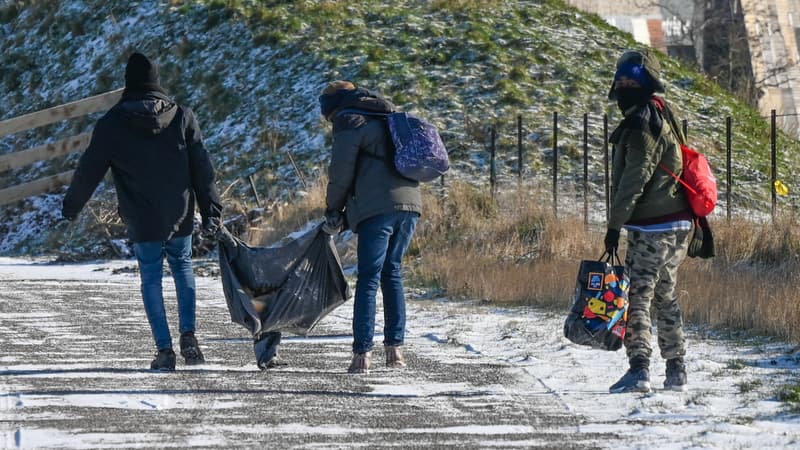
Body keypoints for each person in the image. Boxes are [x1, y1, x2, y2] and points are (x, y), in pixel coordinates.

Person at [61, 52, 223, 371]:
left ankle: (164, 351)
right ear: (157, 82)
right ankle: (189, 337)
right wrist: (212, 210)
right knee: (183, 266)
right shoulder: (182, 117)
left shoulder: (112, 123)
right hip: (180, 212)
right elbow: (202, 168)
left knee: (151, 277)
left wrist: (71, 207)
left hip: (141, 215)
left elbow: (88, 170)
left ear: (128, 82)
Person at [604, 49, 693, 393]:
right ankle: (676, 369)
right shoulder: (664, 113)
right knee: (664, 295)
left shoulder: (642, 121)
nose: (625, 85)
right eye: (622, 79)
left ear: (647, 81)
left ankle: (639, 369)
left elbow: (634, 177)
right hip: (676, 223)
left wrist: (614, 225)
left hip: (652, 224)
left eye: (632, 80)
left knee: (638, 296)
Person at [319, 80, 422, 374]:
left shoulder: (349, 120)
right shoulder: (386, 114)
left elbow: (340, 172)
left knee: (368, 278)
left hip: (378, 209)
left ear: (333, 107)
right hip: (411, 204)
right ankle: (395, 351)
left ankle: (362, 354)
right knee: (393, 273)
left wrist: (332, 209)